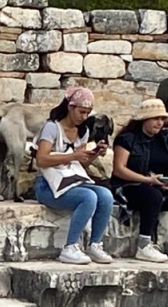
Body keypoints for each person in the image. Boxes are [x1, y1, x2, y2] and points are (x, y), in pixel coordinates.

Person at [33, 87, 115, 265]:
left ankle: (95, 244)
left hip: (71, 181)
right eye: (81, 112)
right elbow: (41, 159)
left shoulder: (83, 131)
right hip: (47, 185)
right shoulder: (52, 128)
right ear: (70, 107)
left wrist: (93, 154)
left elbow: (80, 165)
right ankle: (70, 246)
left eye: (87, 113)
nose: (84, 116)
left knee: (106, 195)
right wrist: (73, 156)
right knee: (89, 197)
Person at [110, 98, 168, 263]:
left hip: (158, 183)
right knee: (152, 195)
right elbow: (119, 169)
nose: (160, 123)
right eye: (156, 119)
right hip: (129, 185)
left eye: (162, 119)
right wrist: (148, 180)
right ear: (144, 119)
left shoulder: (164, 138)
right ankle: (144, 244)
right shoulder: (127, 139)